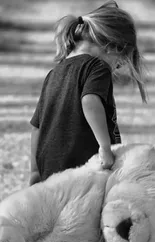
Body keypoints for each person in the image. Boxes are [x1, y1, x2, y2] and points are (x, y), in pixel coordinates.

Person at [30, 0, 147, 187]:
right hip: (84, 167)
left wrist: (35, 171)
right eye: (120, 62)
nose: (117, 67)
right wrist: (105, 147)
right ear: (112, 46)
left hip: (49, 170)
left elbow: (37, 126)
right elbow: (90, 101)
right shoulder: (97, 66)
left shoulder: (54, 73)